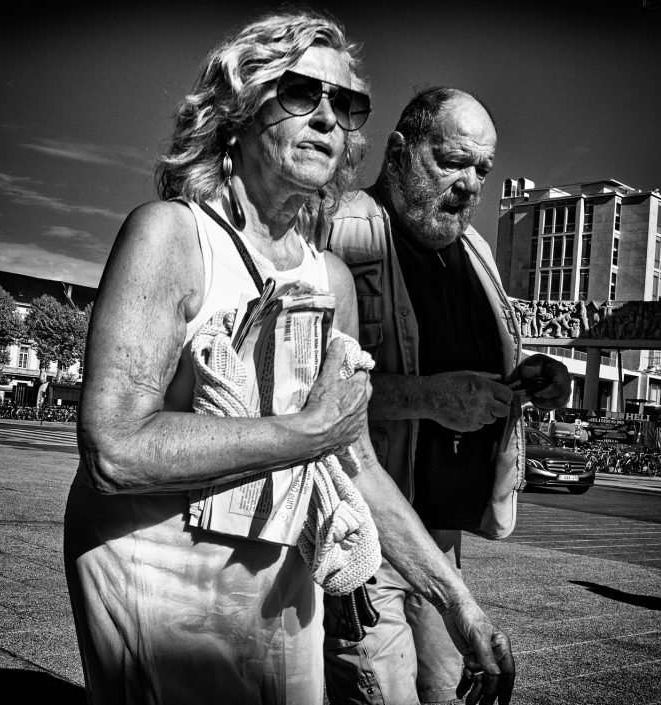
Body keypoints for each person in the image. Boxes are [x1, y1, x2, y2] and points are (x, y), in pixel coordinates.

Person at [63, 11, 515, 705]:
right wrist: (303, 434)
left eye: (348, 104)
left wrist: (458, 603)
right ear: (240, 106)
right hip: (152, 569)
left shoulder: (330, 277)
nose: (331, 119)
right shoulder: (172, 236)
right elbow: (114, 447)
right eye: (304, 93)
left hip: (280, 580)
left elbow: (353, 460)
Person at [322, 87, 570, 704]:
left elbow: (478, 367)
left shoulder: (476, 252)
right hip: (363, 530)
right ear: (401, 151)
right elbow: (302, 391)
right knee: (384, 692)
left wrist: (532, 377)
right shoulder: (341, 232)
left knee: (444, 690)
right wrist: (424, 397)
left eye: (482, 169)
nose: (470, 184)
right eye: (453, 161)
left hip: (441, 540)